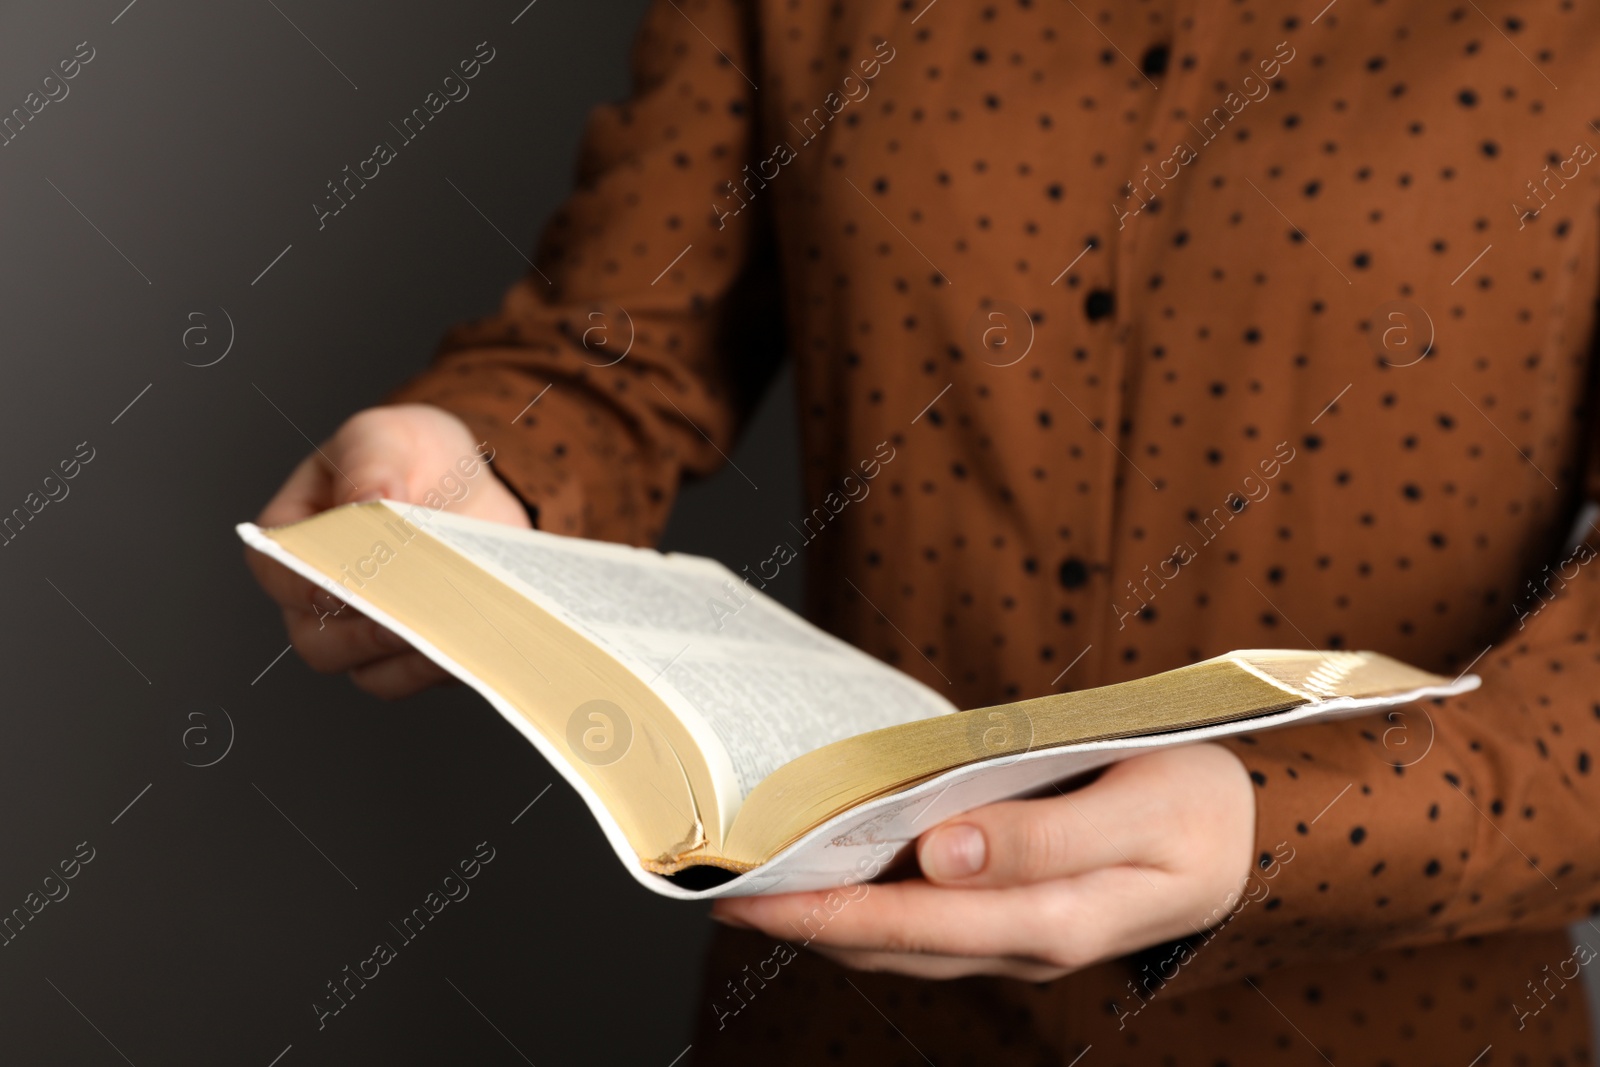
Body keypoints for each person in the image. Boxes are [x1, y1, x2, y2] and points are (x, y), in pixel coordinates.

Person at [246, 1, 1600, 1062]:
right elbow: (616, 349)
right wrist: (477, 466)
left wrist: (1294, 829)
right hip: (838, 1022)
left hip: (1396, 1032)